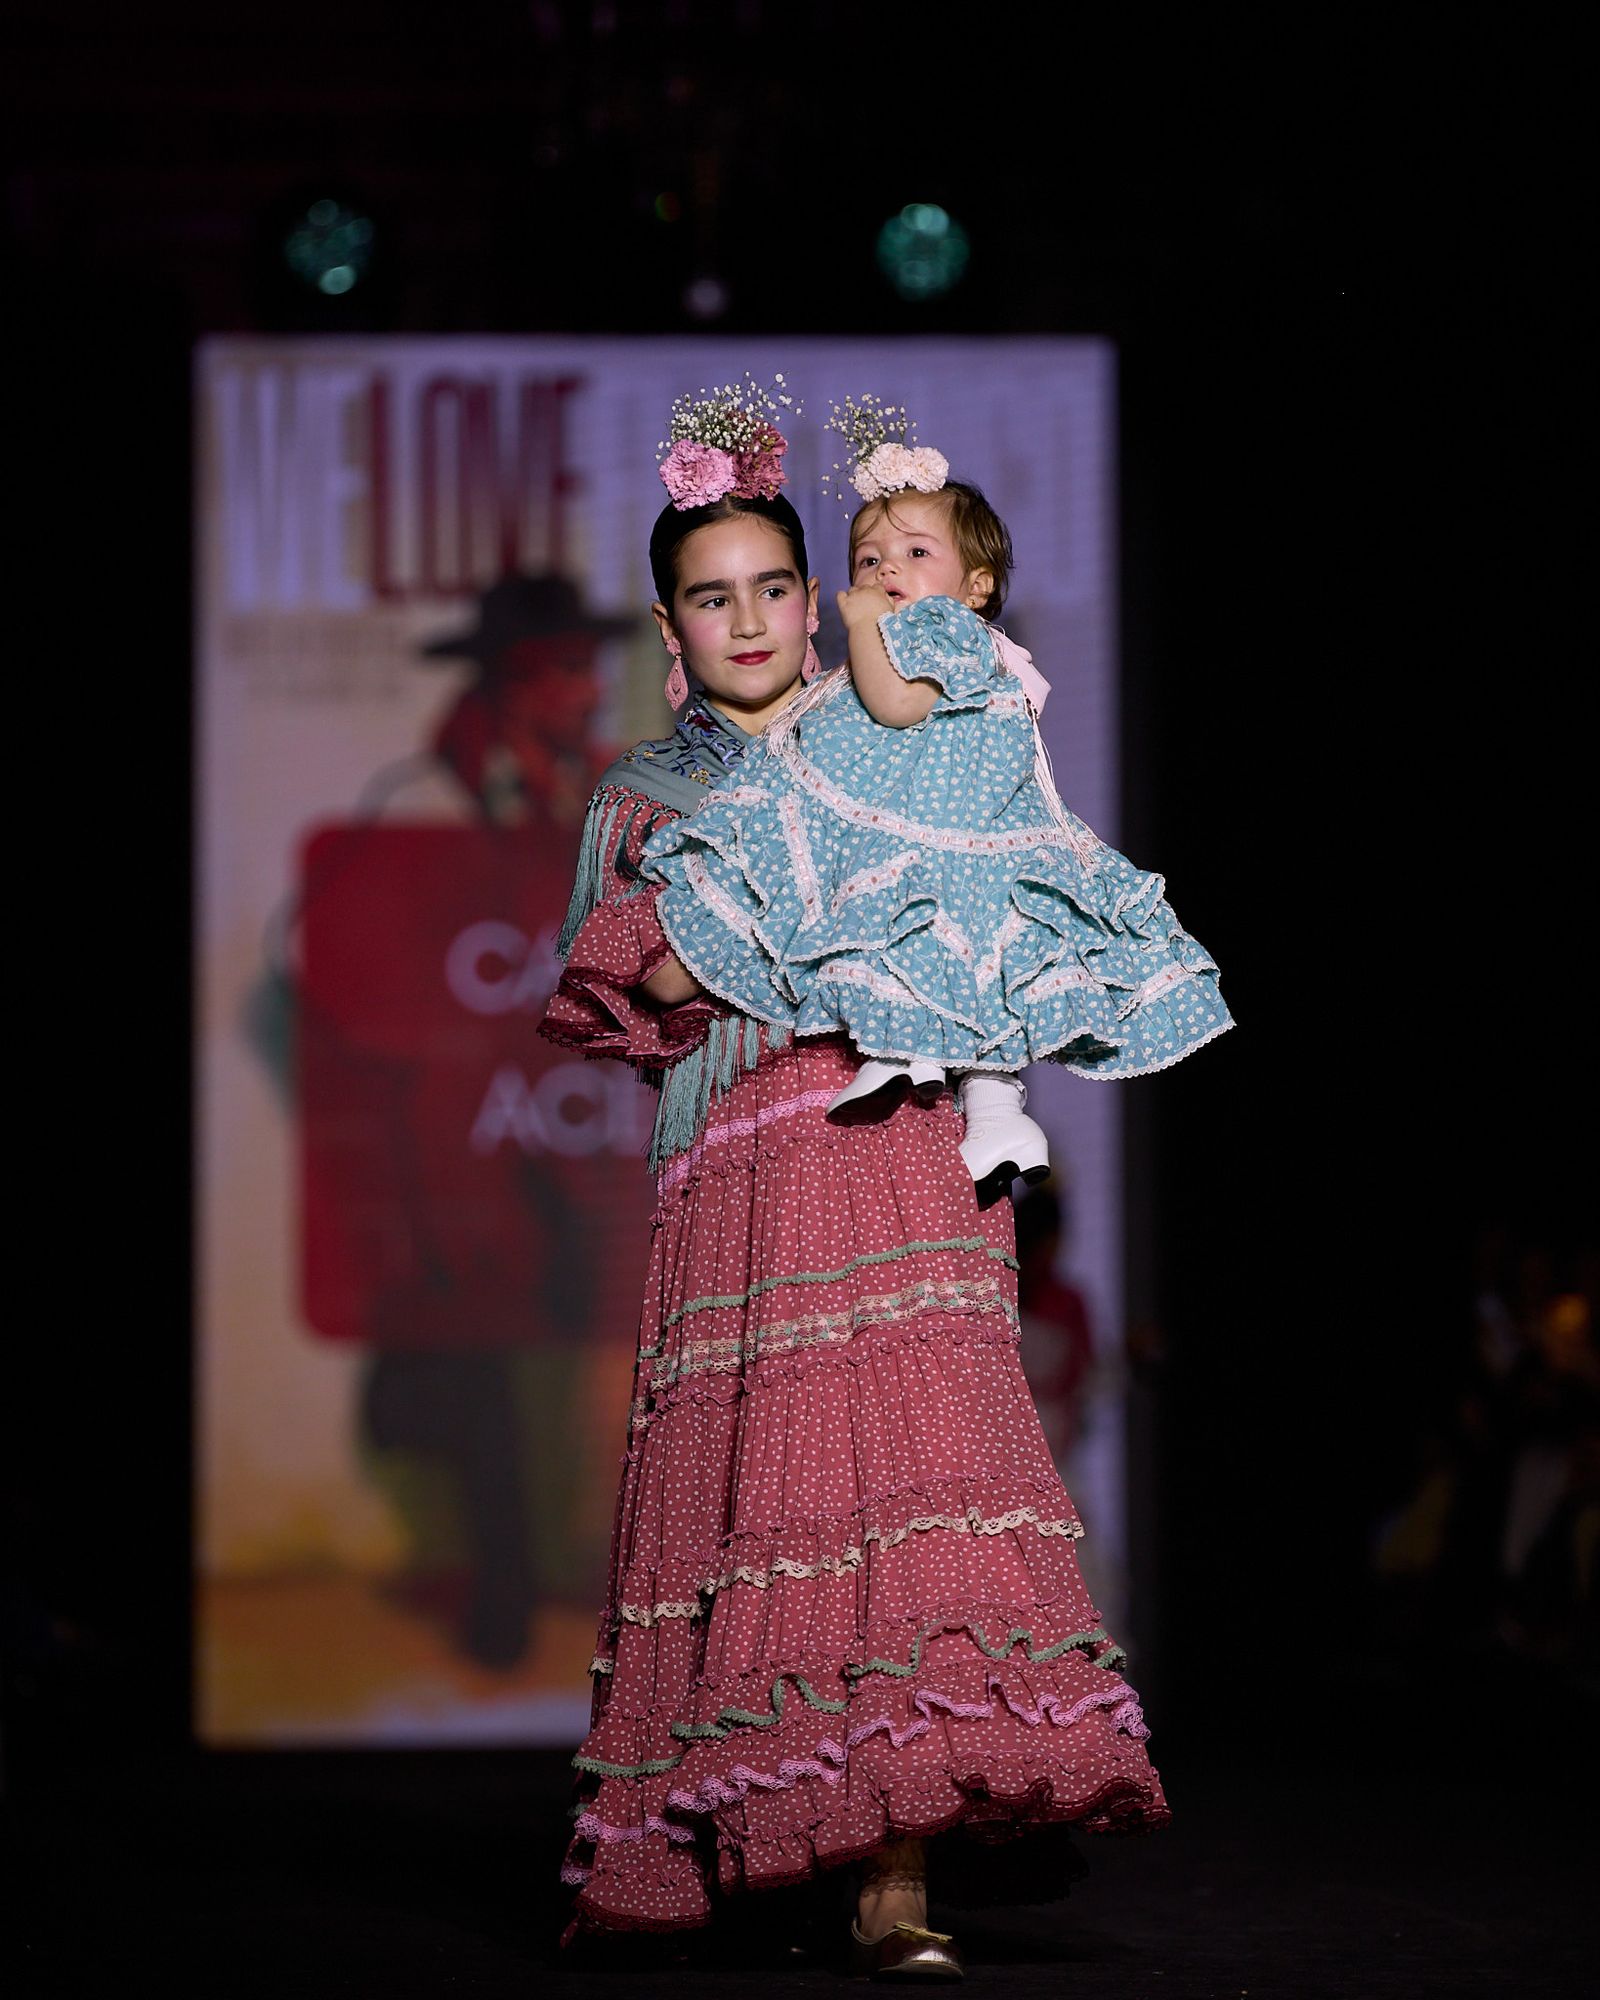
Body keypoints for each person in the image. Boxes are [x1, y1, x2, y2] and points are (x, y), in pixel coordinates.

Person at [540, 382, 1169, 1975]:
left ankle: (896, 1877)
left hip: (899, 1157)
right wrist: (764, 893)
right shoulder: (644, 796)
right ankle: (728, 1843)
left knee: (912, 1505)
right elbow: (634, 990)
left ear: (817, 600)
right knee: (755, 1509)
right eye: (712, 597)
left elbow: (1015, 902)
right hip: (739, 1182)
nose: (749, 620)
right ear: (670, 624)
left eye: (774, 587)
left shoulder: (904, 733)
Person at [640, 397, 1232, 1199]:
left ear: (976, 585)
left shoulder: (933, 631)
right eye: (868, 560)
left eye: (915, 553)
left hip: (946, 843)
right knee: (961, 967)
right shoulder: (939, 640)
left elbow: (894, 705)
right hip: (955, 845)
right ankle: (990, 1110)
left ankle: (921, 1062)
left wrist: (861, 626)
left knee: (914, 933)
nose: (886, 573)